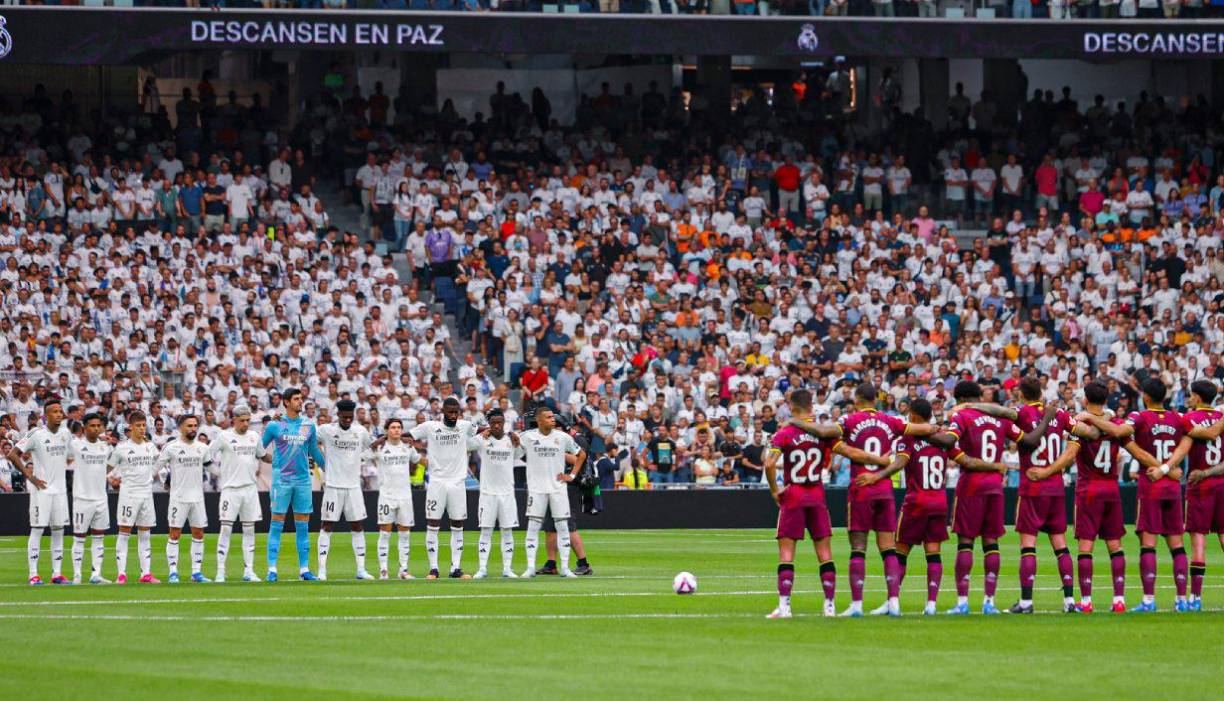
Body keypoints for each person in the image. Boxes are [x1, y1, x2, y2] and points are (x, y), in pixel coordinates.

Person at [790, 382, 948, 617]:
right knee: (888, 548)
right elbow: (925, 429)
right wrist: (936, 426)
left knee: (858, 547)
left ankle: (856, 605)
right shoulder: (891, 420)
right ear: (876, 399)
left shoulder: (849, 420)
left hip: (863, 487)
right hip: (885, 489)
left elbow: (823, 433)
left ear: (857, 399)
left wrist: (793, 421)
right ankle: (894, 602)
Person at [767, 389, 890, 619]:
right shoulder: (823, 434)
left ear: (791, 407)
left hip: (793, 495)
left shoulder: (785, 432)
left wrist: (775, 490)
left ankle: (784, 607)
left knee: (786, 553)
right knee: (825, 553)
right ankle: (829, 606)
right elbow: (851, 452)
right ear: (811, 406)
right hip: (816, 495)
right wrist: (879, 460)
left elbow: (769, 463)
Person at [972, 377, 1073, 614]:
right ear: (1040, 392)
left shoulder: (1022, 413)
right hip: (1056, 486)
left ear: (1020, 394)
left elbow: (997, 411)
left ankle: (1026, 602)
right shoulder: (1059, 414)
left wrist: (971, 406)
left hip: (1033, 487)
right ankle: (1070, 601)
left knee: (1028, 545)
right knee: (1060, 544)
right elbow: (1084, 431)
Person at [857, 399, 953, 616]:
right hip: (939, 501)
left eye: (910, 414)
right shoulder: (942, 441)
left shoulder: (908, 438)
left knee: (899, 553)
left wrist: (877, 476)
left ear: (915, 416)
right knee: (933, 554)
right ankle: (931, 605)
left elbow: (900, 462)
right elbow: (961, 457)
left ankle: (892, 601)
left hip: (916, 502)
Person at [1043, 382, 1129, 614]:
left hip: (1089, 489)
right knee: (1115, 546)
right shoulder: (1116, 424)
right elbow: (1123, 434)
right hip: (1112, 487)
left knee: (1085, 547)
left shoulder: (1080, 426)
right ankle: (1119, 599)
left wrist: (1048, 470)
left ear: (1085, 400)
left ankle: (1087, 601)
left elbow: (1071, 455)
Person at [942, 381, 1024, 615]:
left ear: (959, 399)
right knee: (991, 543)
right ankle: (989, 601)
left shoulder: (962, 415)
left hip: (971, 484)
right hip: (995, 486)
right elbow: (1026, 440)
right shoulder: (999, 418)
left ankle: (962, 602)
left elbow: (950, 440)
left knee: (965, 542)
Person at [1121, 379, 1189, 612]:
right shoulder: (1178, 418)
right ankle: (1182, 600)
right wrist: (1169, 468)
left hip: (1150, 485)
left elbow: (1124, 435)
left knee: (1148, 545)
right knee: (1177, 545)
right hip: (1172, 486)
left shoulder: (1139, 417)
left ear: (1146, 397)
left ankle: (1148, 600)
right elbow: (1190, 440)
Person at [1157, 380, 1224, 611]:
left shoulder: (1189, 419)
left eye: (1191, 395)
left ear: (1196, 397)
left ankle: (1195, 598)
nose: (1189, 399)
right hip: (1222, 482)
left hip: (1200, 484)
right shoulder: (1221, 418)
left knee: (1199, 542)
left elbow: (1183, 447)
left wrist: (1166, 468)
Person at [261, 387, 326, 583]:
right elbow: (258, 447)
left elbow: (314, 451)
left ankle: (304, 569)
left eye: (301, 398)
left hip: (303, 481)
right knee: (276, 524)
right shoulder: (275, 426)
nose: (301, 402)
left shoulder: (309, 425)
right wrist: (271, 460)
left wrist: (329, 468)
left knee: (303, 526)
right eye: (296, 399)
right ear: (286, 402)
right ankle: (272, 569)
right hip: (281, 481)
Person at [7, 396, 73, 585]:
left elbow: (69, 456)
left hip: (60, 491)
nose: (58, 415)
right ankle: (33, 574)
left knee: (59, 531)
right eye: (54, 412)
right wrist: (31, 477)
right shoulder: (36, 434)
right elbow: (13, 454)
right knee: (37, 530)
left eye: (60, 411)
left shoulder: (65, 434)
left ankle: (57, 574)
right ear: (46, 416)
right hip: (41, 490)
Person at [410, 396, 478, 579]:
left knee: (457, 524)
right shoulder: (431, 427)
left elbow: (484, 431)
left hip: (457, 483)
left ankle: (456, 568)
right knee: (433, 523)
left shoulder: (465, 426)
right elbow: (408, 436)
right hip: (437, 482)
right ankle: (433, 568)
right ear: (443, 412)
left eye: (457, 412)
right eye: (451, 412)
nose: (454, 415)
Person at [516, 407, 584, 578]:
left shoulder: (562, 437)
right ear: (539, 421)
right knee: (533, 527)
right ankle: (530, 567)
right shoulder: (528, 437)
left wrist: (572, 475)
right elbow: (514, 451)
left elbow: (581, 455)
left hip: (558, 489)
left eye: (552, 417)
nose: (552, 420)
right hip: (536, 489)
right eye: (548, 417)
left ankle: (565, 568)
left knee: (562, 527)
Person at [316, 399, 375, 581]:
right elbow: (309, 439)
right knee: (327, 526)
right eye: (345, 417)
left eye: (350, 417)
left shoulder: (360, 431)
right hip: (333, 486)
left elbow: (369, 447)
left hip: (354, 487)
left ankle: (361, 569)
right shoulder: (326, 430)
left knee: (357, 526)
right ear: (338, 415)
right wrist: (320, 461)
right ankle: (322, 570)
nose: (348, 420)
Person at [208, 404, 264, 583]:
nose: (246, 424)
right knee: (225, 529)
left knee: (249, 529)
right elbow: (206, 456)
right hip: (230, 490)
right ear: (234, 420)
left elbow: (262, 455)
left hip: (250, 489)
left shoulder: (254, 436)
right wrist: (218, 472)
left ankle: (249, 571)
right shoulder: (224, 436)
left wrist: (282, 458)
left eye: (248, 420)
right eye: (242, 421)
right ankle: (220, 571)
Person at [108, 410, 161, 584]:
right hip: (129, 495)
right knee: (124, 533)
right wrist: (110, 479)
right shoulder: (122, 449)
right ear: (130, 428)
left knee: (145, 534)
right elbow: (107, 468)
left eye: (143, 425)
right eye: (138, 426)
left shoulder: (150, 447)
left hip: (147, 494)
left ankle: (145, 573)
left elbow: (158, 464)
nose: (141, 429)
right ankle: (121, 573)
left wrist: (152, 475)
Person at [158, 415, 211, 584]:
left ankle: (196, 572)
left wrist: (231, 471)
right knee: (174, 534)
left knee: (199, 533)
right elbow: (157, 466)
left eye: (195, 425)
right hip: (178, 498)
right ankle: (173, 572)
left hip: (197, 498)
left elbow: (211, 467)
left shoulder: (202, 447)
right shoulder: (171, 447)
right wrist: (162, 479)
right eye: (189, 425)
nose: (193, 429)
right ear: (180, 427)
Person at [470, 409, 519, 579]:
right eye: (493, 423)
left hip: (507, 494)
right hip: (487, 493)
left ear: (504, 422)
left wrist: (516, 438)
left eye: (500, 422)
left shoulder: (511, 440)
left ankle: (507, 568)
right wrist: (479, 432)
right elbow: (466, 445)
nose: (497, 426)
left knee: (507, 531)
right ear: (489, 424)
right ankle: (482, 568)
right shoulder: (483, 440)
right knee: (486, 531)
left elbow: (522, 451)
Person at [372, 418, 421, 579]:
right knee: (385, 534)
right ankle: (383, 570)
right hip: (386, 496)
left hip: (405, 496)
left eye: (399, 427)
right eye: (393, 427)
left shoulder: (407, 447)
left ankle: (403, 570)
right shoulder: (379, 447)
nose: (396, 430)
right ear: (387, 430)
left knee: (405, 535)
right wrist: (374, 443)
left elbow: (418, 461)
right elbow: (362, 455)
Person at [70, 413, 111, 584]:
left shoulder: (105, 447)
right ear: (84, 428)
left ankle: (96, 574)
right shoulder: (76, 445)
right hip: (82, 499)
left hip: (101, 499)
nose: (96, 428)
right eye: (92, 426)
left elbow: (108, 467)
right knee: (79, 537)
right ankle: (77, 575)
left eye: (98, 425)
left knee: (99, 537)